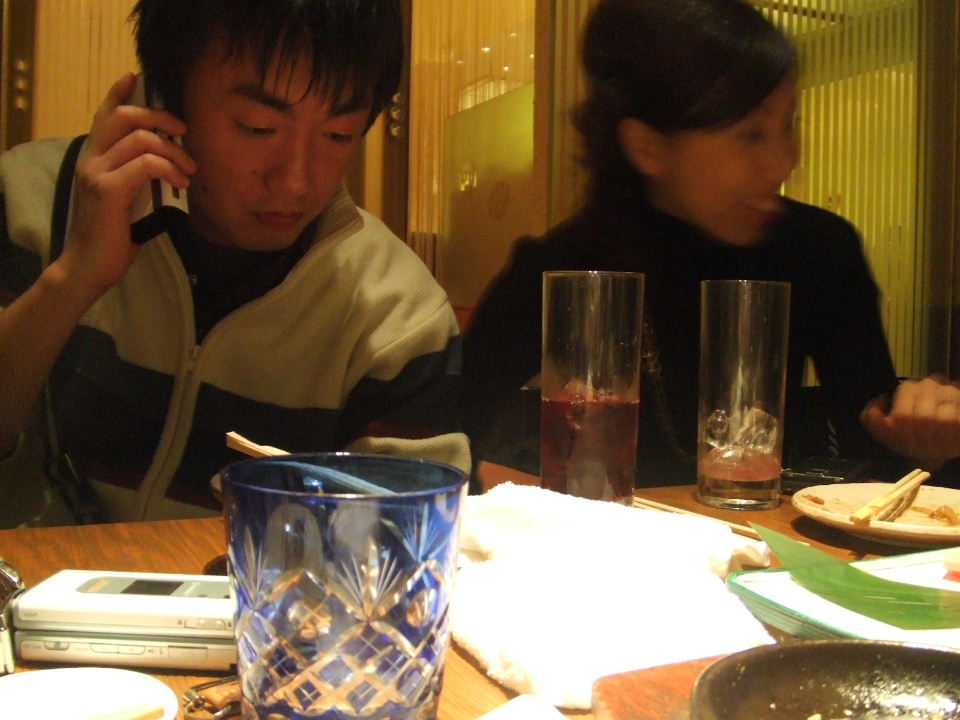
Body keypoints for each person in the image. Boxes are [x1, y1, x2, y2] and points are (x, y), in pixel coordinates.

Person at [0, 0, 469, 526]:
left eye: (338, 135)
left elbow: (414, 538)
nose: (295, 182)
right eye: (257, 127)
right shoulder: (27, 203)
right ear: (164, 101)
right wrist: (72, 278)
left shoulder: (396, 317)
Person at [461, 0, 960, 491]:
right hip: (603, 538)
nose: (785, 161)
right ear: (648, 148)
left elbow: (875, 455)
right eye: (752, 134)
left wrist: (923, 438)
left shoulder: (819, 249)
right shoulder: (563, 269)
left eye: (788, 124)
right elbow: (449, 436)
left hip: (761, 536)